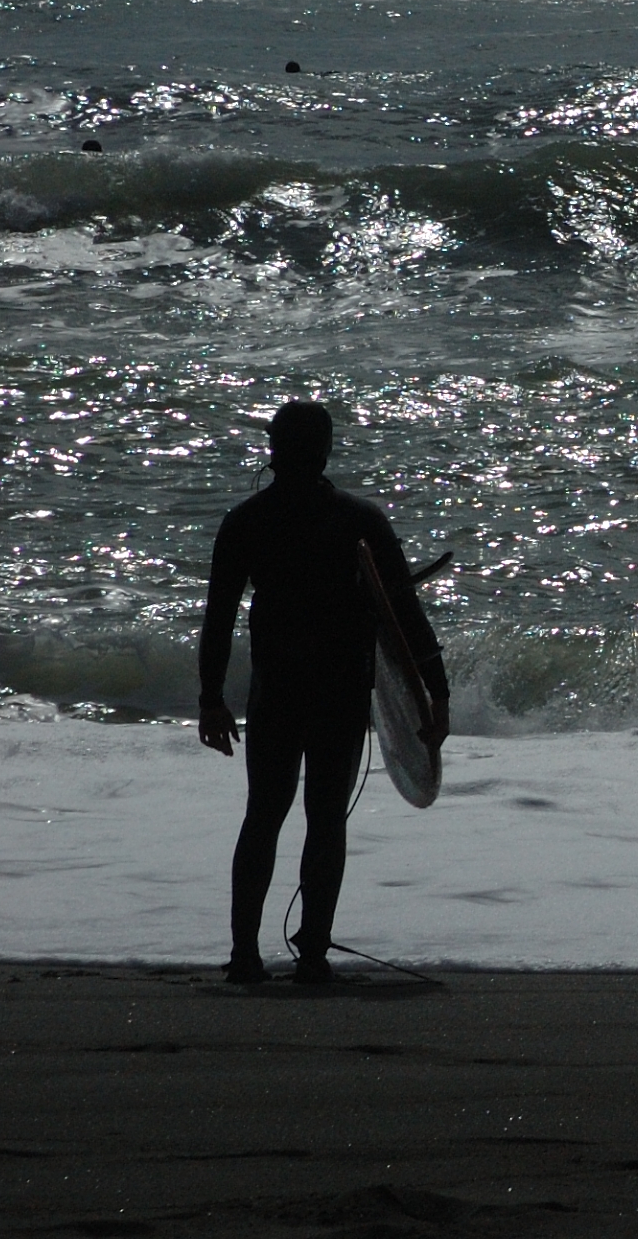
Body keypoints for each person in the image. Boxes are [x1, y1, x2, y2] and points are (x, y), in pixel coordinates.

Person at [197, 400, 450, 985]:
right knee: (325, 817)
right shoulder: (360, 519)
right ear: (327, 450)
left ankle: (244, 958)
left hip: (277, 692)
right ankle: (311, 956)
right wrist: (435, 692)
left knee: (264, 814)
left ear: (272, 450)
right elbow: (404, 615)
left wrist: (211, 697)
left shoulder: (247, 521)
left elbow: (218, 620)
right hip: (336, 692)